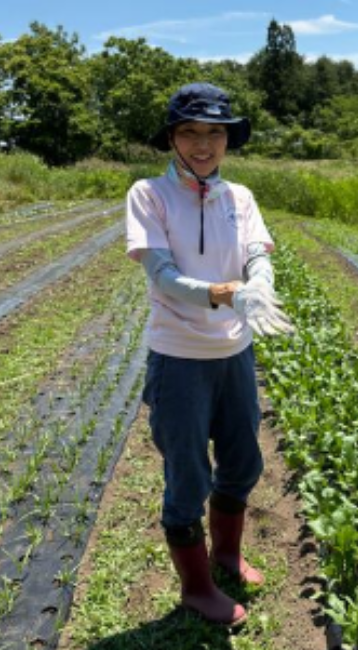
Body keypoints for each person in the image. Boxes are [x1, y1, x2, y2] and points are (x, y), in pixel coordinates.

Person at [125, 82, 294, 626]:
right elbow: (164, 277)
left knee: (243, 460)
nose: (204, 144)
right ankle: (196, 587)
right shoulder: (148, 194)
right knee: (187, 476)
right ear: (172, 138)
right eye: (191, 132)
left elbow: (255, 253)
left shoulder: (238, 197)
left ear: (228, 139)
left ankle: (225, 554)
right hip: (178, 358)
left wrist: (260, 284)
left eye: (215, 133)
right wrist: (227, 293)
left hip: (234, 353)